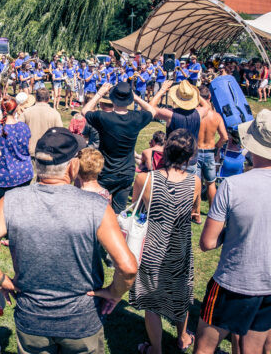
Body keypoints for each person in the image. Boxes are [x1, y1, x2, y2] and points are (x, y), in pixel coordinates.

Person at [0, 127, 138, 354]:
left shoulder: (11, 201)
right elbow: (127, 267)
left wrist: (1, 281)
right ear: (73, 166)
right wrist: (114, 293)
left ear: (37, 164)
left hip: (31, 319)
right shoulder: (97, 206)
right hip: (82, 322)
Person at [194, 109, 271, 354]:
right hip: (267, 284)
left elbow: (207, 242)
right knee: (254, 349)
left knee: (205, 347)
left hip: (233, 281)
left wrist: (233, 231)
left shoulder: (232, 186)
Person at [130, 129, 201, 354]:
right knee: (180, 296)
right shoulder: (195, 182)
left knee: (151, 304)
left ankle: (156, 349)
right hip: (179, 248)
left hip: (152, 247)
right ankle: (182, 338)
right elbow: (194, 212)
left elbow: (135, 209)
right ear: (190, 156)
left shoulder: (145, 178)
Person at [82, 82, 155, 213]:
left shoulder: (103, 117)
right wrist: (136, 97)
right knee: (119, 213)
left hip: (106, 171)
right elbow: (152, 111)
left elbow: (85, 110)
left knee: (99, 211)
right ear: (129, 100)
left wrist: (99, 93)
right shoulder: (136, 118)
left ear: (112, 98)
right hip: (126, 172)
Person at [150, 80, 210, 175]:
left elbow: (150, 107)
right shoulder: (199, 113)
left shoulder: (170, 114)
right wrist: (194, 92)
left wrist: (162, 89)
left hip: (173, 160)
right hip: (191, 159)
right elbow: (207, 105)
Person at [0, 97, 34, 209]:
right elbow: (29, 148)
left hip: (0, 178)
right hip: (23, 175)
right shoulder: (24, 128)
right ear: (16, 109)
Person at [196, 86, 228, 210]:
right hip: (210, 151)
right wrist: (216, 147)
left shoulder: (196, 114)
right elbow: (224, 137)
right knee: (211, 183)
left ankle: (196, 212)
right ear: (209, 97)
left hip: (196, 150)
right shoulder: (216, 116)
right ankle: (212, 210)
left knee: (196, 184)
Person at [19, 88, 63, 157]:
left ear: (36, 98)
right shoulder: (55, 113)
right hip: (48, 152)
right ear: (48, 99)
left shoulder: (26, 112)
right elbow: (60, 134)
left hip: (30, 151)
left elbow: (19, 131)